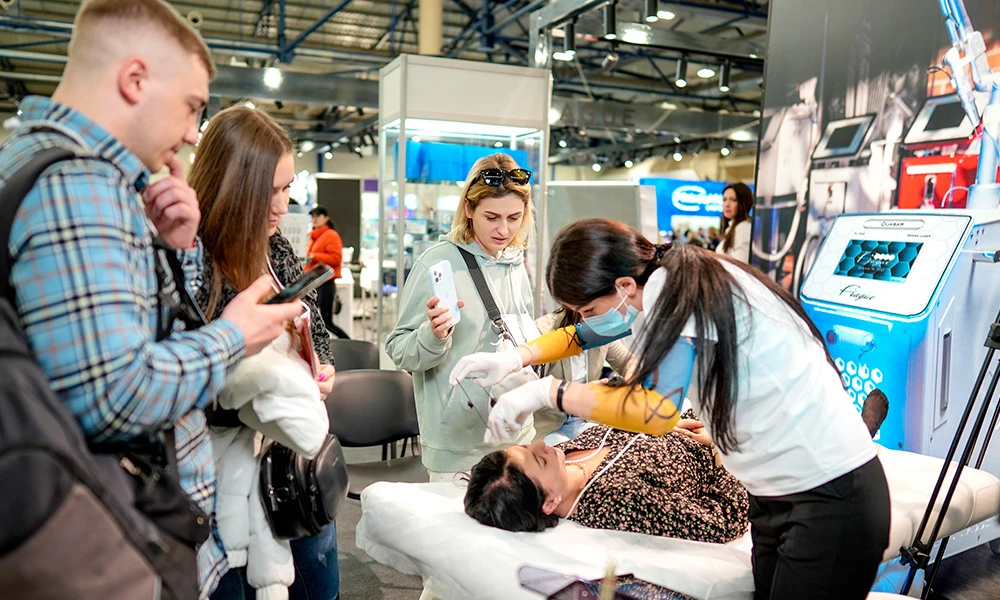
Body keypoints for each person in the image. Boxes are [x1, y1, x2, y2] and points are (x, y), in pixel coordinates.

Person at [0, 0, 302, 596]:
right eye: (191, 106)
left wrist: (170, 249)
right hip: (114, 526)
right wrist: (234, 335)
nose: (192, 131)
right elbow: (116, 394)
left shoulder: (38, 162)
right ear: (135, 79)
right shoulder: (79, 184)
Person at [451, 218, 890, 600]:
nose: (585, 319)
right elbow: (584, 336)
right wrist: (517, 357)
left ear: (624, 287)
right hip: (773, 492)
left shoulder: (676, 293)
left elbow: (657, 413)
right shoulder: (672, 276)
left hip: (828, 493)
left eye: (588, 308)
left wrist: (549, 392)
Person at [190, 105, 341, 600]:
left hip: (291, 463)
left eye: (287, 188)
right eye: (269, 191)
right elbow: (185, 380)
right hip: (221, 478)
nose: (283, 205)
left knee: (319, 586)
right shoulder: (192, 259)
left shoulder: (275, 248)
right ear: (233, 187)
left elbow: (315, 324)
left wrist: (320, 366)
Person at [386, 153, 539, 481]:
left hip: (517, 432)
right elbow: (399, 349)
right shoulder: (437, 263)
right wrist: (433, 335)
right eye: (492, 217)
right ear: (468, 209)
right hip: (458, 447)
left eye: (514, 217)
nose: (503, 229)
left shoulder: (515, 262)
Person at [465, 414, 749, 543]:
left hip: (702, 413)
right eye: (538, 459)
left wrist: (660, 422)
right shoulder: (616, 500)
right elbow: (722, 521)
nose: (541, 445)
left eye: (527, 447)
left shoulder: (564, 456)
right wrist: (723, 449)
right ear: (549, 503)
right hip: (734, 436)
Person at [533, 306, 634, 444]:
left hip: (585, 420)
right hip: (549, 426)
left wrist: (630, 381)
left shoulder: (602, 328)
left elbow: (629, 363)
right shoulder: (542, 332)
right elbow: (531, 394)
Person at [307, 206, 344, 335]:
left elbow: (336, 258)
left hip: (326, 282)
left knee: (326, 322)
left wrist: (314, 256)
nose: (314, 219)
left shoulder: (330, 235)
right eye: (313, 216)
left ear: (326, 218)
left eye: (318, 216)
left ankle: (348, 341)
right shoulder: (314, 236)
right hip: (316, 282)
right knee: (319, 321)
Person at [717, 182, 754, 262]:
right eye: (724, 199)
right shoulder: (732, 227)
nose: (727, 204)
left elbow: (741, 264)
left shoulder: (743, 228)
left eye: (733, 200)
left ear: (743, 203)